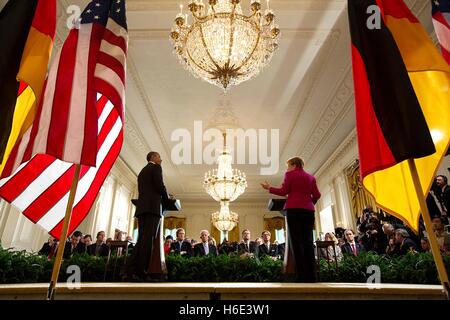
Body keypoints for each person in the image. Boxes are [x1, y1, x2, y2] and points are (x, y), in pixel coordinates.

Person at [261, 156, 321, 282]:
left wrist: (269, 188)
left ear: (294, 165)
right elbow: (317, 195)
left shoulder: (290, 175)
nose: (287, 168)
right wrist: (309, 204)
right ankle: (312, 276)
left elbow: (284, 191)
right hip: (309, 212)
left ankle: (302, 276)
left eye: (288, 165)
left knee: (296, 243)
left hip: (294, 210)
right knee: (308, 242)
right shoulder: (311, 177)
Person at [124, 151, 170, 281]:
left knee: (142, 240)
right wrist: (167, 198)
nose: (161, 159)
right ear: (153, 158)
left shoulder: (142, 171)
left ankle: (129, 270)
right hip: (152, 209)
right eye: (159, 157)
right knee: (148, 241)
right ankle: (141, 271)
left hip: (142, 209)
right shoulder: (156, 167)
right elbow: (160, 185)